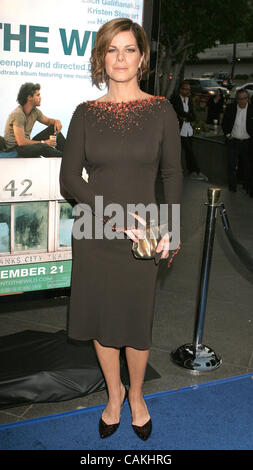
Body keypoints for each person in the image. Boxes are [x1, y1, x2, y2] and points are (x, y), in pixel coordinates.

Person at [60, 17, 183, 441]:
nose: (120, 58)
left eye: (129, 49)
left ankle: (137, 396)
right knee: (101, 321)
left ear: (142, 57)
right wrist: (113, 216)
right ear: (101, 57)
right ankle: (113, 396)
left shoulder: (161, 110)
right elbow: (70, 180)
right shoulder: (85, 114)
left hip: (146, 234)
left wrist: (173, 228)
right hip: (95, 231)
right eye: (112, 49)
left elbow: (172, 174)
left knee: (135, 321)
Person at [4, 82, 65, 157]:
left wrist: (56, 121)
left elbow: (48, 121)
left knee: (52, 129)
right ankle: (67, 157)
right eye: (38, 95)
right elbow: (21, 142)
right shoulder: (18, 114)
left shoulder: (35, 112)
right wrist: (44, 142)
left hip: (26, 145)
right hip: (16, 148)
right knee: (43, 146)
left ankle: (70, 153)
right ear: (29, 97)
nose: (40, 97)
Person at [170, 80, 208, 181]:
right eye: (186, 89)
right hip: (178, 129)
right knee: (188, 150)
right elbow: (179, 112)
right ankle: (196, 170)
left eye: (189, 89)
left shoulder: (189, 100)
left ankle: (192, 171)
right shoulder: (175, 98)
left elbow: (193, 116)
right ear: (181, 89)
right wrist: (186, 116)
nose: (188, 91)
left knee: (188, 150)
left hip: (188, 129)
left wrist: (187, 117)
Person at [222, 89, 253, 194]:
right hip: (233, 141)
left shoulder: (252, 110)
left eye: (244, 98)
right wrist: (228, 135)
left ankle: (246, 185)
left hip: (247, 142)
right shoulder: (231, 108)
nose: (242, 101)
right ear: (237, 99)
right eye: (240, 99)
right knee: (231, 164)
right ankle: (232, 186)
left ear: (248, 99)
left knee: (247, 165)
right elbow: (224, 122)